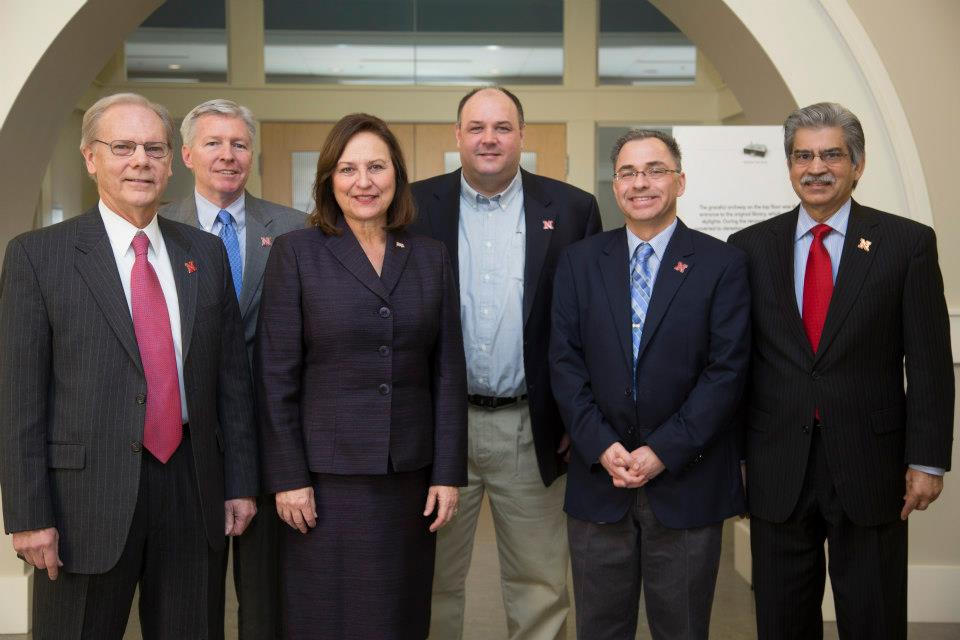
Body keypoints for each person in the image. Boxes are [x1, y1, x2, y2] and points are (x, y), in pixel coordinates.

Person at [0, 92, 258, 638]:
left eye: (154, 148)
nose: (140, 160)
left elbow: (231, 382)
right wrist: (28, 515)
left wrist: (239, 482)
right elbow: (19, 397)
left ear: (172, 162)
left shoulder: (205, 255)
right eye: (123, 147)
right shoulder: (37, 257)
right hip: (81, 505)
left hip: (192, 488)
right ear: (91, 157)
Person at [728, 102, 954, 640]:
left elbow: (928, 363)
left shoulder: (907, 244)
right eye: (803, 156)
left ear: (858, 164)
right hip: (777, 462)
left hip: (872, 465)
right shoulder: (750, 248)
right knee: (781, 621)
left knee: (873, 619)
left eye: (832, 154)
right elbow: (735, 366)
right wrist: (734, 454)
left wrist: (928, 460)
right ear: (788, 167)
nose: (816, 167)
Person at [255, 113, 467, 640]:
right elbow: (276, 375)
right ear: (329, 179)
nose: (364, 181)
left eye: (377, 166)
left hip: (408, 478)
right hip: (324, 483)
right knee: (324, 617)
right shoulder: (297, 253)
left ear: (397, 175)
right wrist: (288, 478)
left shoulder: (428, 255)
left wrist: (446, 471)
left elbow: (447, 370)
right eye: (348, 169)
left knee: (398, 614)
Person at [410, 86, 602, 640]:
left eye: (501, 127)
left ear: (522, 134)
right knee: (433, 582)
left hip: (531, 427)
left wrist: (574, 419)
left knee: (540, 585)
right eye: (476, 127)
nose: (488, 139)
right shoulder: (415, 206)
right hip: (440, 428)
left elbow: (590, 325)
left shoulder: (571, 208)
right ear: (457, 136)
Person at [550, 129, 749, 639]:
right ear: (614, 187)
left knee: (681, 628)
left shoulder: (722, 263)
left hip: (687, 483)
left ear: (680, 181)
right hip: (601, 480)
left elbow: (726, 372)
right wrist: (600, 443)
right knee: (599, 628)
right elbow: (565, 363)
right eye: (628, 173)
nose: (641, 183)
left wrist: (662, 449)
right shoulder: (578, 262)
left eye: (655, 170)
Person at [160, 98, 303, 640]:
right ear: (188, 154)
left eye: (239, 144)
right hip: (186, 435)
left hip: (269, 433)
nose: (228, 155)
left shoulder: (292, 228)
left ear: (253, 154)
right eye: (214, 143)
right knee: (190, 589)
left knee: (266, 594)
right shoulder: (158, 225)